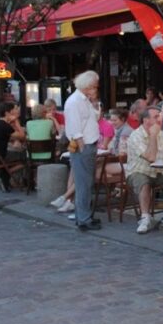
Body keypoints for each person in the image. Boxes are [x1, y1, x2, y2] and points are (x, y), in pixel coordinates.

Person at [124, 106, 163, 234]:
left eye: (159, 116)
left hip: (159, 170)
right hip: (139, 170)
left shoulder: (162, 133)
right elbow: (150, 157)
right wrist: (153, 136)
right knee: (143, 182)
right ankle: (145, 218)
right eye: (156, 117)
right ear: (146, 120)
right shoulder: (136, 135)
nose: (159, 119)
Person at [65, 71, 102, 231]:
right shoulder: (74, 102)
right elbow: (74, 128)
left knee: (86, 183)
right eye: (94, 86)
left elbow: (96, 117)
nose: (96, 89)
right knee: (83, 184)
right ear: (87, 86)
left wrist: (95, 103)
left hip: (89, 144)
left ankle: (83, 215)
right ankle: (83, 219)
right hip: (83, 146)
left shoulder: (84, 100)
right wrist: (82, 147)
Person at [0, 101, 27, 192]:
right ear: (7, 113)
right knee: (26, 158)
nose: (16, 111)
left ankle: (4, 174)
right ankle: (5, 174)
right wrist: (16, 121)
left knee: (17, 151)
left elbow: (7, 137)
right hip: (1, 156)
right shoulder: (5, 125)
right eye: (14, 110)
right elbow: (22, 136)